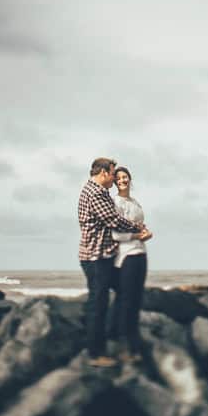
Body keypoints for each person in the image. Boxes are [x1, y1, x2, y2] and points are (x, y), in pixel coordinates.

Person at [77, 157, 146, 367]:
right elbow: (113, 220)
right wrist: (138, 229)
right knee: (98, 305)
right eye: (113, 174)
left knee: (120, 296)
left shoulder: (97, 191)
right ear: (104, 173)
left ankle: (115, 342)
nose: (115, 178)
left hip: (102, 256)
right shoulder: (96, 193)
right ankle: (95, 353)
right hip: (95, 257)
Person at [111, 166, 152, 363]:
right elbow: (115, 235)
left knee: (136, 301)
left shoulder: (135, 202)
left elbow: (141, 228)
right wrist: (138, 235)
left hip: (140, 254)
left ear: (130, 179)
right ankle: (123, 345)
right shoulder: (115, 203)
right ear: (115, 182)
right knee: (126, 301)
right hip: (125, 256)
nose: (122, 180)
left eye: (125, 177)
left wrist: (146, 234)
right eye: (118, 178)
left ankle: (135, 343)